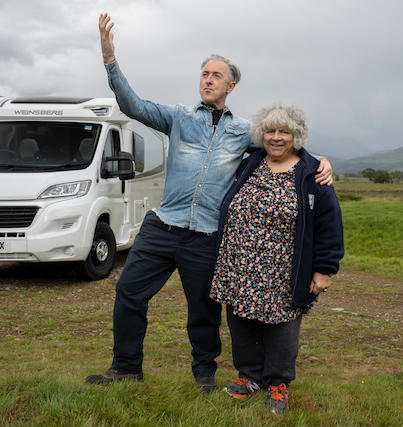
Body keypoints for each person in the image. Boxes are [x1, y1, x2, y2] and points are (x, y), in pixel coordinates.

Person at [85, 14, 334, 393]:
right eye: (204, 74)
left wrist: (320, 162)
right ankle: (125, 366)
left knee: (203, 311)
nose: (208, 80)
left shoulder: (241, 131)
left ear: (230, 85)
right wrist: (110, 60)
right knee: (129, 293)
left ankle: (204, 373)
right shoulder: (179, 117)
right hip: (162, 227)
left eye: (216, 76)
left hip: (205, 237)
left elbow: (281, 143)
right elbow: (132, 104)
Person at [209, 105, 344, 413]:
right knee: (240, 320)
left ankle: (279, 383)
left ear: (297, 136)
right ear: (261, 135)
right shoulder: (250, 163)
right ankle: (249, 376)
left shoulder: (312, 174)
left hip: (285, 268)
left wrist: (325, 270)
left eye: (284, 131)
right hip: (240, 262)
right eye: (270, 131)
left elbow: (330, 225)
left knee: (282, 327)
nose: (277, 137)